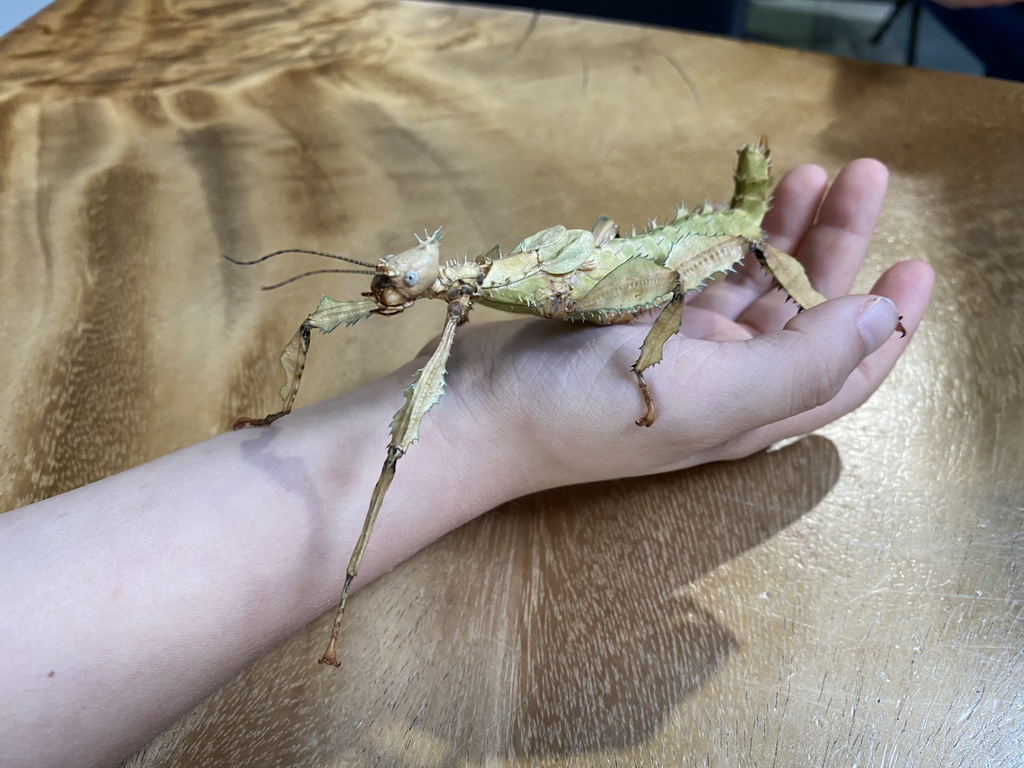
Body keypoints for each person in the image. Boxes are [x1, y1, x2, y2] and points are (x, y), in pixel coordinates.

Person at [0, 158, 934, 768]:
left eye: (395, 287)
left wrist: (652, 359)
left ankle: (724, 263)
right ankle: (283, 420)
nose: (385, 295)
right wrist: (497, 410)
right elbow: (373, 327)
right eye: (393, 287)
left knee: (686, 272)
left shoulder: (514, 284)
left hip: (688, 254)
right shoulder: (456, 306)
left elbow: (648, 280)